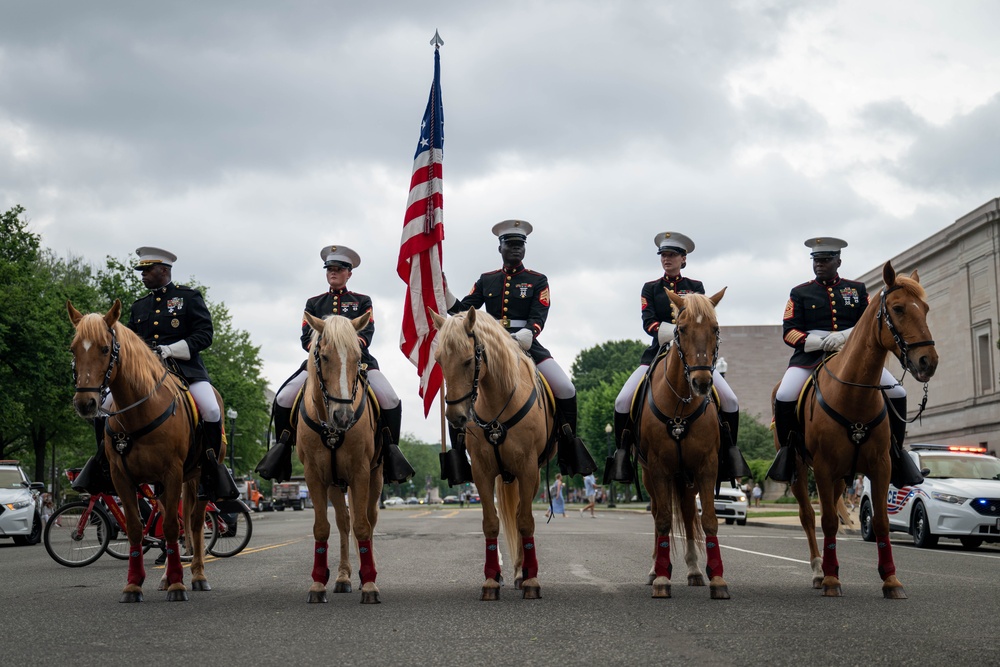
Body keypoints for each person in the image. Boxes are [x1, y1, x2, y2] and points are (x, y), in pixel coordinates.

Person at [75, 247, 236, 500]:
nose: (143, 274)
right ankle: (104, 463)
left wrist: (171, 350)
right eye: (141, 270)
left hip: (185, 370)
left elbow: (204, 335)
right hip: (144, 373)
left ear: (164, 270)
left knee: (212, 410)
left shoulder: (189, 298)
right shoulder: (140, 306)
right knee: (103, 408)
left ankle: (211, 471)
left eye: (147, 270)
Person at [445, 220, 597, 479]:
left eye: (519, 245)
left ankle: (568, 447)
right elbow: (464, 311)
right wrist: (445, 292)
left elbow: (540, 312)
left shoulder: (537, 280)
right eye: (510, 245)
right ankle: (460, 454)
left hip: (527, 344)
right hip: (492, 346)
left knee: (566, 389)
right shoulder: (487, 280)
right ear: (500, 248)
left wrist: (529, 331)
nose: (515, 249)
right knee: (462, 390)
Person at [766, 238, 922, 486]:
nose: (820, 265)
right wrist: (819, 341)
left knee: (898, 392)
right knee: (785, 394)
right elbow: (789, 331)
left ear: (838, 261)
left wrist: (846, 337)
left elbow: (872, 320)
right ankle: (787, 453)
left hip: (856, 355)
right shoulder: (800, 292)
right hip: (810, 357)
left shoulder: (857, 290)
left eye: (826, 260)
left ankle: (896, 452)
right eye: (816, 260)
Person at [257, 245, 413, 484]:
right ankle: (282, 450)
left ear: (349, 273)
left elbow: (366, 334)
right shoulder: (313, 303)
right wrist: (325, 353)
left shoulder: (361, 301)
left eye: (339, 269)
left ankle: (391, 453)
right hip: (321, 364)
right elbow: (305, 339)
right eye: (329, 269)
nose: (333, 273)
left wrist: (346, 350)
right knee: (283, 398)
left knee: (390, 399)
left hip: (359, 363)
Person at [608, 231, 749, 484]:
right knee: (622, 400)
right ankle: (622, 457)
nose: (666, 259)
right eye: (663, 255)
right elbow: (647, 322)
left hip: (694, 358)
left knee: (730, 399)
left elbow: (703, 322)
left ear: (684, 259)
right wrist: (668, 332)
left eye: (672, 255)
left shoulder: (696, 288)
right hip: (658, 353)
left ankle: (730, 453)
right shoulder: (650, 288)